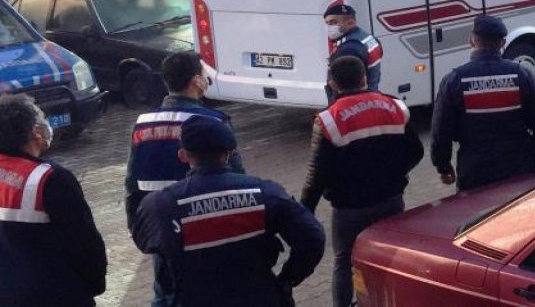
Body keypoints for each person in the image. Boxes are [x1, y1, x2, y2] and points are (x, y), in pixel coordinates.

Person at [132, 116, 325, 307]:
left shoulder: (160, 205)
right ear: (229, 153)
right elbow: (313, 238)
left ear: (183, 155)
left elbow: (144, 241)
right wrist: (286, 280)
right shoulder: (265, 193)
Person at [301, 56, 424, 307]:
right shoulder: (395, 107)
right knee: (388, 256)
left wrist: (305, 211)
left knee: (344, 261)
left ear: (333, 84)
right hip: (390, 201)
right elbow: (416, 152)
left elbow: (317, 174)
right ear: (364, 78)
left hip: (349, 208)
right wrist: (396, 174)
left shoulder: (328, 119)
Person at [125, 52, 245, 307]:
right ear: (196, 81)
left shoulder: (143, 124)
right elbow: (236, 179)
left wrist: (139, 229)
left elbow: (132, 183)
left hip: (163, 227)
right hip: (208, 225)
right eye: (203, 74)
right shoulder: (213, 122)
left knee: (166, 294)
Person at [0, 95, 107, 307]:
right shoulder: (51, 179)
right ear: (34, 132)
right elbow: (84, 243)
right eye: (41, 119)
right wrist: (92, 286)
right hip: (56, 294)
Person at [430, 15, 535, 191]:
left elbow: (440, 131)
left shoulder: (454, 80)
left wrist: (443, 166)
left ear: (472, 40)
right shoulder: (521, 75)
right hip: (518, 168)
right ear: (503, 43)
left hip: (474, 171)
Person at [324, 3, 382, 95]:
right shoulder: (367, 38)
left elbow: (346, 85)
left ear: (350, 23)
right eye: (327, 23)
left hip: (352, 101)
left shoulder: (349, 49)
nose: (329, 27)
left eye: (333, 22)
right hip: (371, 94)